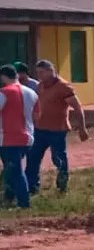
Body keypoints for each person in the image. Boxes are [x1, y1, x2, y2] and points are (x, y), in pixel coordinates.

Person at [27, 59, 88, 195]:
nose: (39, 76)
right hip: (40, 129)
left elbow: (77, 108)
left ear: (51, 71)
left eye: (42, 72)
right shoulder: (40, 86)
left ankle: (62, 187)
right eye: (38, 73)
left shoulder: (63, 87)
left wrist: (82, 128)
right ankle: (32, 187)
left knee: (59, 159)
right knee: (33, 158)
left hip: (57, 130)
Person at [0, 65, 38, 209]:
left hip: (8, 138)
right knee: (11, 169)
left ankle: (24, 203)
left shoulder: (4, 92)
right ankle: (9, 198)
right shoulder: (32, 93)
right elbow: (37, 115)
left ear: (3, 77)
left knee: (15, 171)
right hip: (27, 138)